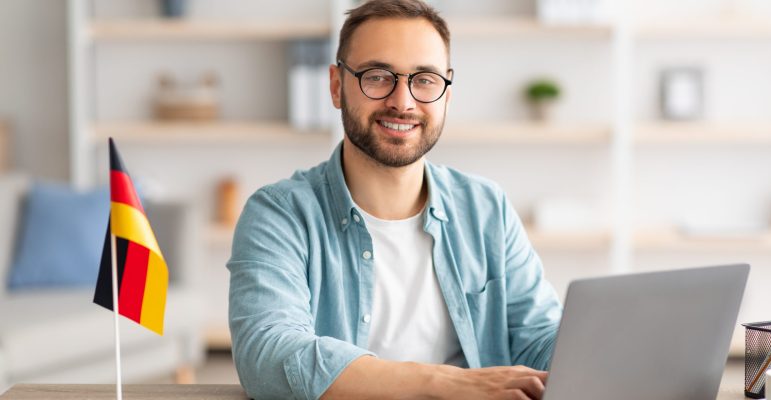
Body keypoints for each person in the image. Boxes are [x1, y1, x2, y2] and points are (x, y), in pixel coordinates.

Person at [227, 1, 562, 398]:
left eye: (424, 79)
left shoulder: (486, 207)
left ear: (447, 94)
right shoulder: (279, 214)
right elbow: (268, 358)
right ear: (336, 86)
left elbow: (539, 340)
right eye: (378, 76)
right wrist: (443, 383)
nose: (402, 101)